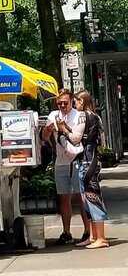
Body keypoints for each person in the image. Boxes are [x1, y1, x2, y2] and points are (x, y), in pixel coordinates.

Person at [41, 89, 90, 244]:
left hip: (77, 159)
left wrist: (63, 127)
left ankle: (87, 230)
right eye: (59, 103)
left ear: (71, 102)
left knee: (80, 197)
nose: (62, 105)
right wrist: (48, 130)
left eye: (65, 103)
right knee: (63, 197)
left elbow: (77, 138)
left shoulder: (79, 116)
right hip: (60, 160)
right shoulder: (53, 115)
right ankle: (66, 231)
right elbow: (44, 137)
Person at [74, 90, 109, 248]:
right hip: (91, 159)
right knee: (87, 199)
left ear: (82, 101)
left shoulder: (84, 116)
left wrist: (64, 130)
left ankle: (100, 237)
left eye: (76, 101)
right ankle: (94, 236)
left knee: (92, 197)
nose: (75, 104)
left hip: (88, 161)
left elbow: (76, 137)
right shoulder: (96, 116)